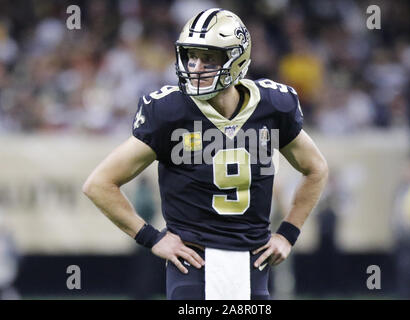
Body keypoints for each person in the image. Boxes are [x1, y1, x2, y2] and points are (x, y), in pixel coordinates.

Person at [83, 8, 328, 300]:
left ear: (237, 61)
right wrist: (152, 238)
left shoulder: (273, 106)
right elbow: (99, 184)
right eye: (191, 56)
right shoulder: (169, 112)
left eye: (209, 58)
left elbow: (316, 169)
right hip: (193, 262)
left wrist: (288, 234)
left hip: (254, 261)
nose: (196, 66)